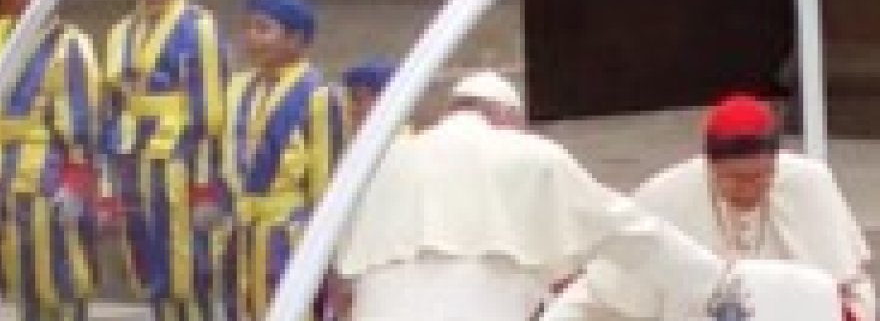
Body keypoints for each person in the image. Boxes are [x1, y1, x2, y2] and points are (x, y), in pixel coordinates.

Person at [334, 71, 735, 321]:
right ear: (507, 117)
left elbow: (340, 273)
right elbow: (629, 232)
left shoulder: (386, 161)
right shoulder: (527, 153)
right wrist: (716, 283)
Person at [542, 91, 875, 321]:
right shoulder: (667, 193)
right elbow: (610, 298)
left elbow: (847, 286)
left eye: (761, 176)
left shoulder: (808, 182)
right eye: (733, 178)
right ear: (710, 167)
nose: (748, 188)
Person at [103, 0, 228, 321]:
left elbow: (211, 111)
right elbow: (111, 105)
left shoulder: (199, 27)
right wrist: (107, 183)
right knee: (150, 264)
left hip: (181, 163)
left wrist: (206, 185)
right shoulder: (120, 31)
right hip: (132, 159)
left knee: (191, 268)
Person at [0, 0, 102, 321]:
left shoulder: (72, 45)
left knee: (63, 278)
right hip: (6, 179)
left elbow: (84, 119)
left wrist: (77, 182)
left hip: (51, 180)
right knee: (22, 277)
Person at [224, 0, 346, 321]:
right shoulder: (239, 87)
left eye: (263, 29)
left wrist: (322, 244)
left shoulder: (318, 95)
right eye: (248, 28)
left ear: (295, 39)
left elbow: (326, 179)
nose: (252, 38)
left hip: (290, 235)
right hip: (244, 231)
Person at [340, 58, 395, 133]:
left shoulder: (405, 141)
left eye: (357, 99)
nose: (352, 109)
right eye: (349, 99)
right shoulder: (361, 141)